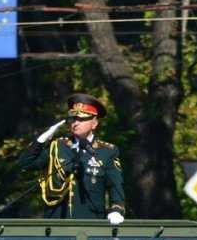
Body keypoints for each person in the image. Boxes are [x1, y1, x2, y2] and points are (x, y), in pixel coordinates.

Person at [20, 93, 126, 223]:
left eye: (82, 119)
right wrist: (43, 138)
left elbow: (115, 187)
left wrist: (116, 210)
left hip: (89, 224)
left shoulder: (107, 152)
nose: (76, 123)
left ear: (94, 123)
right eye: (74, 119)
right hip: (56, 222)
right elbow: (26, 164)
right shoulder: (58, 146)